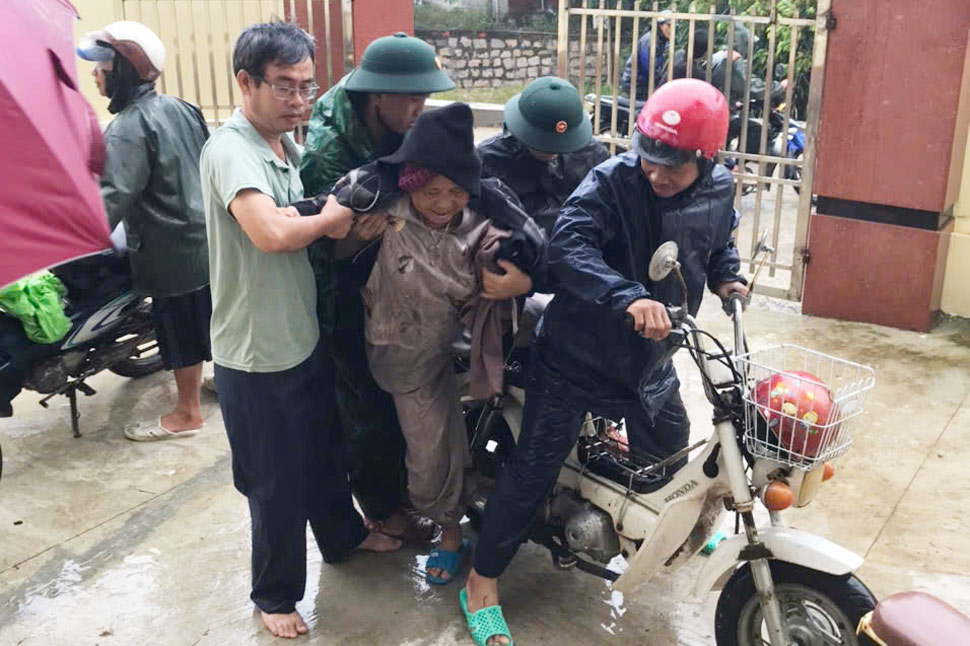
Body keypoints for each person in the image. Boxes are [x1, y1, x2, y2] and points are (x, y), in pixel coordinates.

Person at [459, 79, 749, 646]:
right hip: (577, 358)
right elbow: (569, 247)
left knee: (671, 449)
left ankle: (655, 534)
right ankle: (481, 581)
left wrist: (726, 275)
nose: (656, 174)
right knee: (532, 472)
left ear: (706, 158)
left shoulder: (719, 188)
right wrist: (628, 296)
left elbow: (717, 242)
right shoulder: (612, 182)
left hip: (654, 360)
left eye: (673, 166)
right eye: (650, 158)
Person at [199, 22, 399, 639]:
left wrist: (329, 222)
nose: (298, 100)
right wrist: (334, 217)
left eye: (307, 87)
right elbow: (272, 233)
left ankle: (341, 536)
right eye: (283, 86)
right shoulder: (232, 148)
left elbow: (299, 219)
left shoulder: (283, 147)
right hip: (258, 355)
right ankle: (275, 594)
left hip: (300, 338)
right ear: (245, 82)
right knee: (275, 482)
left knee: (321, 453)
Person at [300, 33, 529, 543]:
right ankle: (383, 509)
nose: (418, 107)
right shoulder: (330, 153)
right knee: (365, 413)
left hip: (411, 300)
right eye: (408, 98)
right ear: (375, 95)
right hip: (346, 300)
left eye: (424, 97)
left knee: (414, 419)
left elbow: (482, 201)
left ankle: (414, 494)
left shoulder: (413, 141)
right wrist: (349, 247)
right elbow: (319, 244)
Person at [324, 103, 544, 586]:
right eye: (431, 191)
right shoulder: (382, 212)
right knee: (428, 456)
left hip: (471, 339)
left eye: (456, 191)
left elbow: (533, 242)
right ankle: (450, 533)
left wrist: (521, 279)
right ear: (408, 184)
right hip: (408, 353)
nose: (444, 202)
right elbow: (333, 244)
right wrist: (350, 239)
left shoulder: (482, 219)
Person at [77, 21, 212, 441]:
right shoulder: (183, 108)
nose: (95, 74)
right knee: (209, 318)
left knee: (179, 329)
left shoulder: (128, 128)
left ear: (123, 70)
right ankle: (220, 383)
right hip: (207, 236)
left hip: (169, 249)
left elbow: (111, 199)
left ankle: (187, 413)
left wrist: (73, 240)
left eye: (101, 66)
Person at [477, 76, 609, 236]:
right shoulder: (489, 160)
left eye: (560, 145)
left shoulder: (593, 156)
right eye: (543, 144)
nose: (551, 152)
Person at [619, 9, 672, 98]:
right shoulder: (650, 40)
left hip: (643, 84)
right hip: (636, 85)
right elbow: (649, 66)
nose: (671, 29)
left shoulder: (660, 41)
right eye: (669, 25)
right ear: (660, 24)